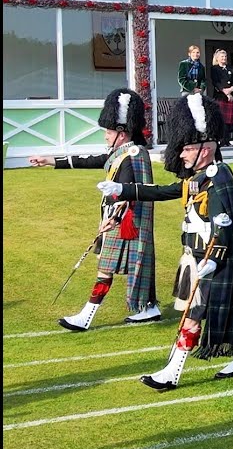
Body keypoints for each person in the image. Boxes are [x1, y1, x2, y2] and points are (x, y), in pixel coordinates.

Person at [98, 93, 233, 389]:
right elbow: (164, 191)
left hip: (210, 259)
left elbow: (225, 225)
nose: (180, 154)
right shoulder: (199, 175)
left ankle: (173, 371)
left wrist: (214, 260)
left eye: (186, 148)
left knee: (192, 317)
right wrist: (123, 188)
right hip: (196, 256)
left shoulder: (219, 177)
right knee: (214, 311)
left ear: (205, 149)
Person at [31, 89, 160, 329]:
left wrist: (113, 218)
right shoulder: (120, 152)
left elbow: (130, 190)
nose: (105, 136)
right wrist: (50, 160)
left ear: (121, 134)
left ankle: (86, 316)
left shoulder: (133, 154)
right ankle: (149, 307)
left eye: (108, 132)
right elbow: (91, 160)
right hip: (117, 219)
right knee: (137, 264)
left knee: (106, 269)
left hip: (122, 221)